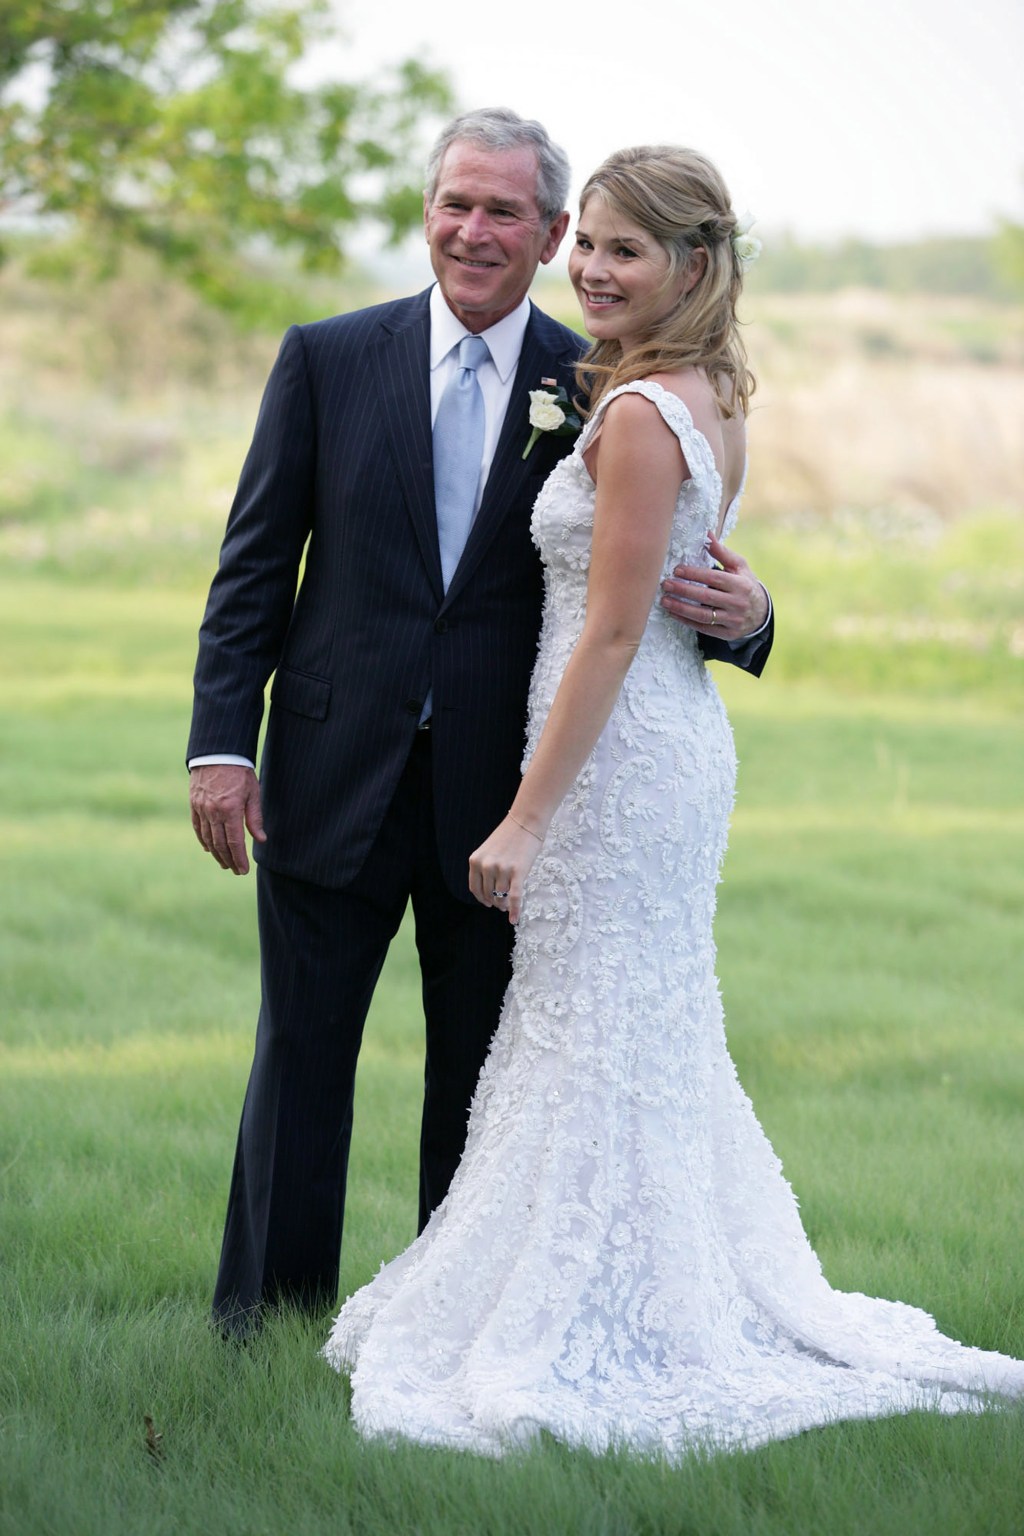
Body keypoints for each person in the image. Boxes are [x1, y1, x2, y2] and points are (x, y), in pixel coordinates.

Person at [323, 145, 1024, 1454]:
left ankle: (609, 1313)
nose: (589, 267)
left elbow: (607, 631)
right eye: (583, 241)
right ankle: (639, 1287)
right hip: (653, 743)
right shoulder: (701, 390)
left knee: (597, 1037)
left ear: (693, 264)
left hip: (617, 761)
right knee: (615, 1035)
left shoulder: (642, 416)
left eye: (622, 249)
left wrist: (527, 815)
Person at [188, 110, 773, 1338]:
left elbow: (658, 578)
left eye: (506, 211)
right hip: (331, 764)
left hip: (507, 789)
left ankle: (441, 1326)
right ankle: (264, 1324)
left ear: (549, 231)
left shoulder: (604, 374)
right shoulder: (326, 358)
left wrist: (755, 614)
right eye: (457, 202)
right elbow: (254, 568)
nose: (474, 230)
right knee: (298, 1061)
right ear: (426, 209)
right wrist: (223, 746)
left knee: (480, 1077)